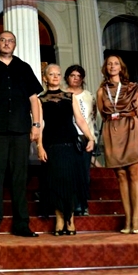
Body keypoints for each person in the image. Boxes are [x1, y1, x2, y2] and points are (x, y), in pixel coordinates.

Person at [0, 31, 42, 238]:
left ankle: (22, 225)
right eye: (3, 40)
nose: (6, 43)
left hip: (21, 130)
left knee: (20, 178)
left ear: (15, 45)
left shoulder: (24, 68)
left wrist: (37, 124)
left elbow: (33, 99)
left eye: (10, 41)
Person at [37, 64, 95, 236]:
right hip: (51, 145)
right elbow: (39, 125)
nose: (55, 76)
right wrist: (39, 146)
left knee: (70, 183)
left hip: (70, 143)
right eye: (51, 74)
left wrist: (90, 137)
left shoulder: (71, 97)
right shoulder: (40, 99)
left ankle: (70, 219)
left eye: (58, 74)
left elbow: (80, 120)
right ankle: (59, 219)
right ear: (45, 78)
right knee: (55, 183)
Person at [97, 55, 138, 234]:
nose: (113, 66)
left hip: (131, 128)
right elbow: (102, 115)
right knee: (120, 176)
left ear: (121, 67)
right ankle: (127, 219)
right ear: (106, 67)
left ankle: (136, 218)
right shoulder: (101, 91)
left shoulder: (132, 87)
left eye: (116, 63)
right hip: (112, 131)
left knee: (134, 175)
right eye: (109, 63)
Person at [64, 64, 97, 215]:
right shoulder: (62, 94)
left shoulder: (89, 96)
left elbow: (92, 117)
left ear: (82, 79)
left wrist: (91, 138)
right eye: (72, 75)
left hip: (85, 137)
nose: (75, 79)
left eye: (78, 76)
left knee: (84, 173)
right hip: (67, 137)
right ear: (67, 77)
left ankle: (83, 204)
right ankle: (72, 204)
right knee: (70, 172)